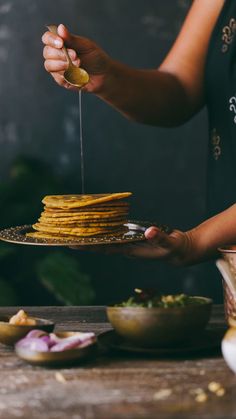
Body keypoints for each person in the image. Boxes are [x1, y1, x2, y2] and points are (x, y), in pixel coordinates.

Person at [42, 0, 236, 266]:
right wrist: (107, 78)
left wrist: (197, 242)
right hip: (227, 257)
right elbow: (179, 91)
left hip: (215, 240)